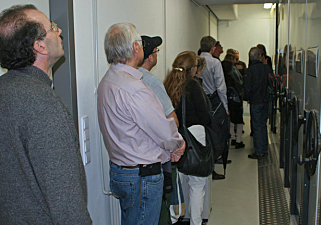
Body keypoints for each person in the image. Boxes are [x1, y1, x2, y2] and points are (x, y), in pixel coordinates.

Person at [0, 4, 92, 224]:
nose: (59, 31)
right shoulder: (42, 104)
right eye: (52, 27)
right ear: (39, 46)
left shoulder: (5, 90)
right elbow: (66, 201)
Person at [97, 23, 185, 225]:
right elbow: (163, 131)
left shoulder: (108, 80)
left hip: (122, 171)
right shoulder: (134, 88)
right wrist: (178, 145)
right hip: (141, 177)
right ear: (136, 48)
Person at [164, 51, 212, 225]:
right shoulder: (193, 85)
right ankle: (196, 222)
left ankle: (176, 218)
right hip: (195, 136)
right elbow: (205, 116)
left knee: (178, 184)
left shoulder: (167, 83)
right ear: (192, 69)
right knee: (197, 186)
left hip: (173, 139)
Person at [137, 35, 179, 225]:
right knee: (161, 209)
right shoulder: (152, 81)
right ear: (151, 57)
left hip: (134, 160)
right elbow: (172, 121)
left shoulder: (126, 77)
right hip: (156, 159)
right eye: (156, 51)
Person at [200, 36, 230, 180]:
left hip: (200, 100)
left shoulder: (196, 60)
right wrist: (225, 106)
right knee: (216, 133)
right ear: (212, 48)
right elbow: (221, 87)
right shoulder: (215, 63)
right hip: (213, 100)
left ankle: (207, 162)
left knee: (204, 134)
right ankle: (213, 163)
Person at [243, 47, 273, 159]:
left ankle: (259, 151)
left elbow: (247, 87)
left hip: (255, 101)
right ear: (260, 56)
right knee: (263, 125)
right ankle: (264, 149)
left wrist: (246, 98)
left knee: (256, 126)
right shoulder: (266, 68)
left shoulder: (250, 70)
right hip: (265, 100)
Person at [222, 54, 245, 149]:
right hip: (236, 100)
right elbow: (240, 87)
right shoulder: (234, 77)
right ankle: (238, 140)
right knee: (239, 121)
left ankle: (232, 137)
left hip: (227, 101)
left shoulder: (223, 78)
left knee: (230, 120)